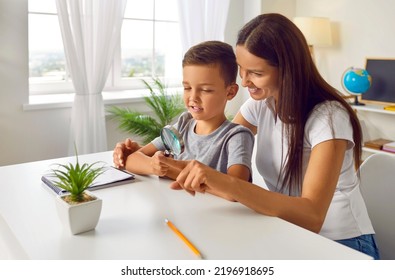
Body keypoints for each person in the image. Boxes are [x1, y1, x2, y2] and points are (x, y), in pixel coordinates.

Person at [114, 14, 379, 259]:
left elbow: (311, 215)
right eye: (241, 68)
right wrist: (152, 156)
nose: (244, 81)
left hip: (341, 244)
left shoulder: (328, 118)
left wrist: (222, 182)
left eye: (256, 73)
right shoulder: (260, 105)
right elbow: (216, 143)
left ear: (288, 70)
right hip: (286, 231)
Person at [115, 41, 254, 201]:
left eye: (206, 90)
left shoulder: (237, 136)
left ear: (230, 92)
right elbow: (132, 159)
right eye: (187, 88)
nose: (193, 98)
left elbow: (238, 190)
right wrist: (155, 166)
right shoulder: (183, 124)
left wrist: (169, 169)